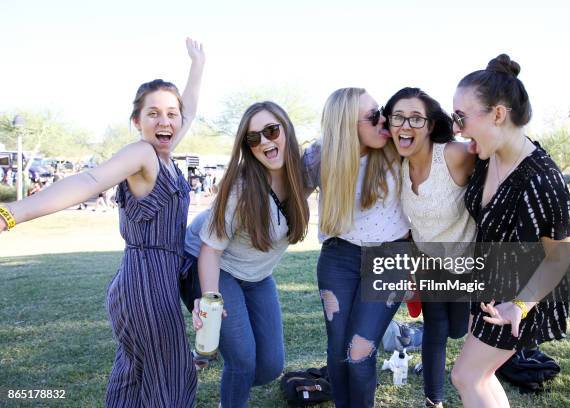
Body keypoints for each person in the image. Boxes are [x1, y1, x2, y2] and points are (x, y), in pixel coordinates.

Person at [0, 38, 205, 407]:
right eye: (153, 113)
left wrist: (197, 65)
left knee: (134, 374)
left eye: (172, 114)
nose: (166, 120)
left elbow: (186, 112)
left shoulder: (166, 155)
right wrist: (10, 214)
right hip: (147, 283)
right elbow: (90, 181)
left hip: (145, 280)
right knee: (172, 378)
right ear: (137, 121)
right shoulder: (143, 153)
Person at [449, 54, 570, 407]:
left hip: (521, 295)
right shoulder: (486, 156)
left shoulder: (542, 178)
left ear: (498, 114)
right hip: (488, 287)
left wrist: (519, 305)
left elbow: (559, 256)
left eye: (461, 116)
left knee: (467, 376)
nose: (457, 126)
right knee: (480, 377)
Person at [181, 101, 310, 408]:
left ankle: (207, 357)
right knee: (242, 362)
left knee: (269, 367)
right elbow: (210, 250)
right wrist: (210, 300)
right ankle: (215, 370)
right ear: (247, 146)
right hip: (210, 264)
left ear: (286, 130)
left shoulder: (303, 172)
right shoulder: (241, 187)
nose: (265, 141)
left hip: (256, 276)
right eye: (254, 138)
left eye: (271, 130)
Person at [302, 88, 410, 408]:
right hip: (338, 256)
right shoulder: (319, 155)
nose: (384, 120)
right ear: (347, 126)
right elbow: (290, 193)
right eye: (373, 115)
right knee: (337, 351)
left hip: (390, 257)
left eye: (381, 111)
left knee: (359, 352)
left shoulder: (397, 148)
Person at [383, 87, 476, 408]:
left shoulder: (454, 155)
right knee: (436, 329)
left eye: (416, 118)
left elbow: (497, 156)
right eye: (398, 117)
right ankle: (433, 401)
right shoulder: (396, 166)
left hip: (469, 262)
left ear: (431, 125)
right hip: (429, 264)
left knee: (455, 330)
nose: (405, 125)